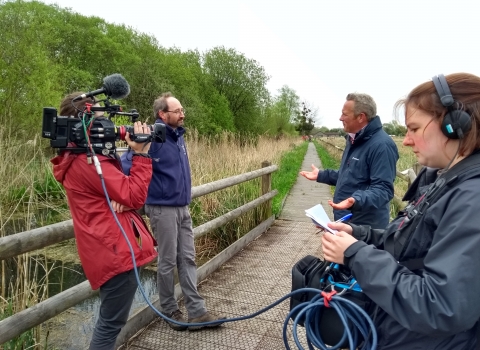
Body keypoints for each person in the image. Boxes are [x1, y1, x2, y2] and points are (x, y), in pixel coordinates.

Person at [322, 73, 480, 349]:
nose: (406, 141)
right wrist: (358, 234)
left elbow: (440, 306)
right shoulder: (445, 179)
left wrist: (355, 254)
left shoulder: (472, 198)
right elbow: (410, 244)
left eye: (414, 129)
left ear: (455, 126)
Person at [51, 92, 157, 350]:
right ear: (83, 125)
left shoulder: (84, 158)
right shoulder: (87, 162)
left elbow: (125, 193)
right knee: (109, 327)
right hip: (114, 251)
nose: (105, 128)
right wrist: (142, 154)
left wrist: (125, 192)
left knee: (110, 324)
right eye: (98, 121)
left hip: (110, 247)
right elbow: (133, 193)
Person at [121, 92, 224, 331]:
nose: (182, 114)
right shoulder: (152, 136)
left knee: (187, 257)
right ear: (162, 114)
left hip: (182, 207)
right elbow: (128, 162)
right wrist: (124, 197)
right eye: (177, 111)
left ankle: (196, 313)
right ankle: (169, 310)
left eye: (181, 110)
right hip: (161, 209)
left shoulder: (178, 137)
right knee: (167, 261)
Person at [300, 93, 399, 229]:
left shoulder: (382, 145)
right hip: (346, 221)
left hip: (365, 228)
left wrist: (356, 200)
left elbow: (383, 190)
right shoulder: (353, 139)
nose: (340, 118)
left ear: (360, 117)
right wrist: (321, 175)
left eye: (344, 114)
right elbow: (351, 176)